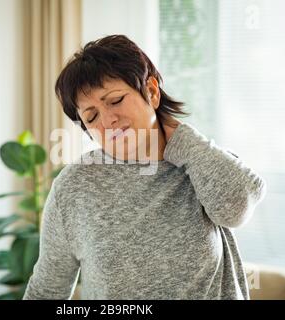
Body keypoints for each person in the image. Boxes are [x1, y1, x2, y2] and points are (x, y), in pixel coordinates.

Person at [23, 34, 267, 299]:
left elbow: (235, 208)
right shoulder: (75, 187)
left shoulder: (199, 162)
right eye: (91, 117)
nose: (108, 120)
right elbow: (47, 290)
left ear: (151, 91)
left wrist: (179, 138)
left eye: (115, 100)